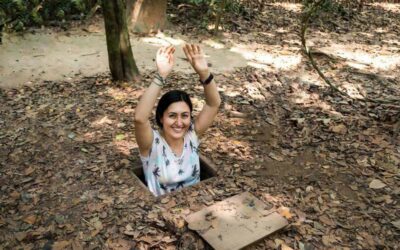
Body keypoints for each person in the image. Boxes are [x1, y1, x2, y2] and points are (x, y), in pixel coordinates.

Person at [134, 44, 221, 196]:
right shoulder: (151, 144)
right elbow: (140, 119)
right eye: (172, 115)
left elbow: (213, 104)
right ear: (161, 117)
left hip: (197, 206)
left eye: (185, 115)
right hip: (162, 214)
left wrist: (204, 73)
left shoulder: (192, 136)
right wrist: (161, 76)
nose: (179, 123)